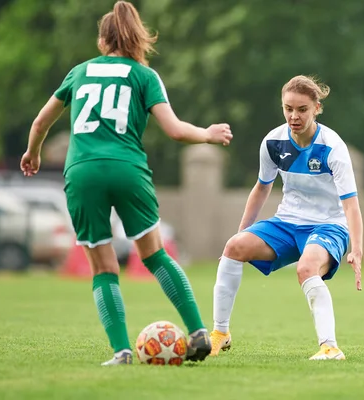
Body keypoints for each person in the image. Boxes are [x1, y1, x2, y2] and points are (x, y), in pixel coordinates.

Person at [20, 1, 232, 366]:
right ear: (136, 39)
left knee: (103, 267)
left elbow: (41, 123)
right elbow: (176, 131)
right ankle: (198, 331)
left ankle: (121, 351)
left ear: (103, 40)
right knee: (154, 255)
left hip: (83, 172)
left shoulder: (79, 72)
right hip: (128, 170)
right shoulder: (144, 76)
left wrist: (33, 153)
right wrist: (208, 134)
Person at [210, 75, 363, 360]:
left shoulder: (333, 147)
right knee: (233, 248)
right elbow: (261, 189)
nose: (294, 116)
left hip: (329, 225)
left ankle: (330, 348)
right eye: (288, 108)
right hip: (287, 222)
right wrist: (240, 232)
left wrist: (356, 249)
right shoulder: (273, 142)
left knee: (306, 269)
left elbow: (351, 205)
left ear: (317, 108)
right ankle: (220, 334)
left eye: (302, 109)